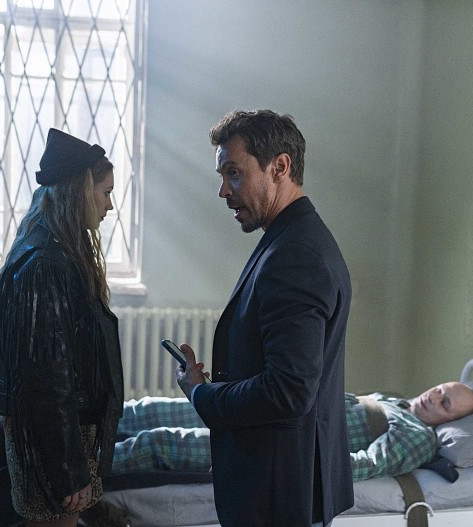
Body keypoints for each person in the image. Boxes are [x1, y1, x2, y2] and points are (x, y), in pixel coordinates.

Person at [175, 109, 354, 527]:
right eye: (223, 175)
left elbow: (288, 390)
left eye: (234, 173)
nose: (223, 190)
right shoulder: (293, 239)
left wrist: (203, 395)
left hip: (279, 496)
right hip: (282, 486)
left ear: (280, 167)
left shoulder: (295, 255)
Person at [0, 128, 124, 527]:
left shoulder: (53, 250)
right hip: (54, 437)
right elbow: (47, 379)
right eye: (105, 193)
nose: (109, 205)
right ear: (81, 191)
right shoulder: (46, 265)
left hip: (61, 431)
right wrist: (68, 469)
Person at [110, 381, 473, 481]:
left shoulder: (418, 436)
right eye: (441, 389)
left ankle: (82, 476)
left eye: (446, 404)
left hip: (278, 441)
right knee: (150, 410)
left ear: (450, 423)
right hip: (269, 411)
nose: (435, 397)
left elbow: (367, 464)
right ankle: (81, 432)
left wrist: (296, 464)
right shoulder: (394, 402)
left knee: (159, 444)